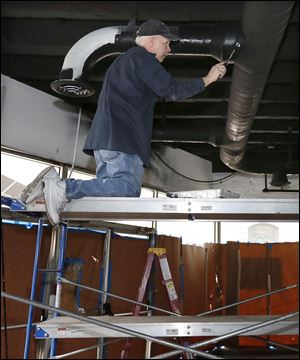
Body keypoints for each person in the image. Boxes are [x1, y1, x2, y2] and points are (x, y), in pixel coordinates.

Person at [20, 19, 227, 226]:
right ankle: (63, 187)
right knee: (127, 189)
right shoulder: (143, 59)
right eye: (167, 43)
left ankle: (54, 192)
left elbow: (146, 95)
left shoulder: (125, 63)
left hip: (106, 140)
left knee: (109, 193)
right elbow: (172, 90)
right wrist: (207, 79)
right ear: (152, 42)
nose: (169, 49)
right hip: (122, 140)